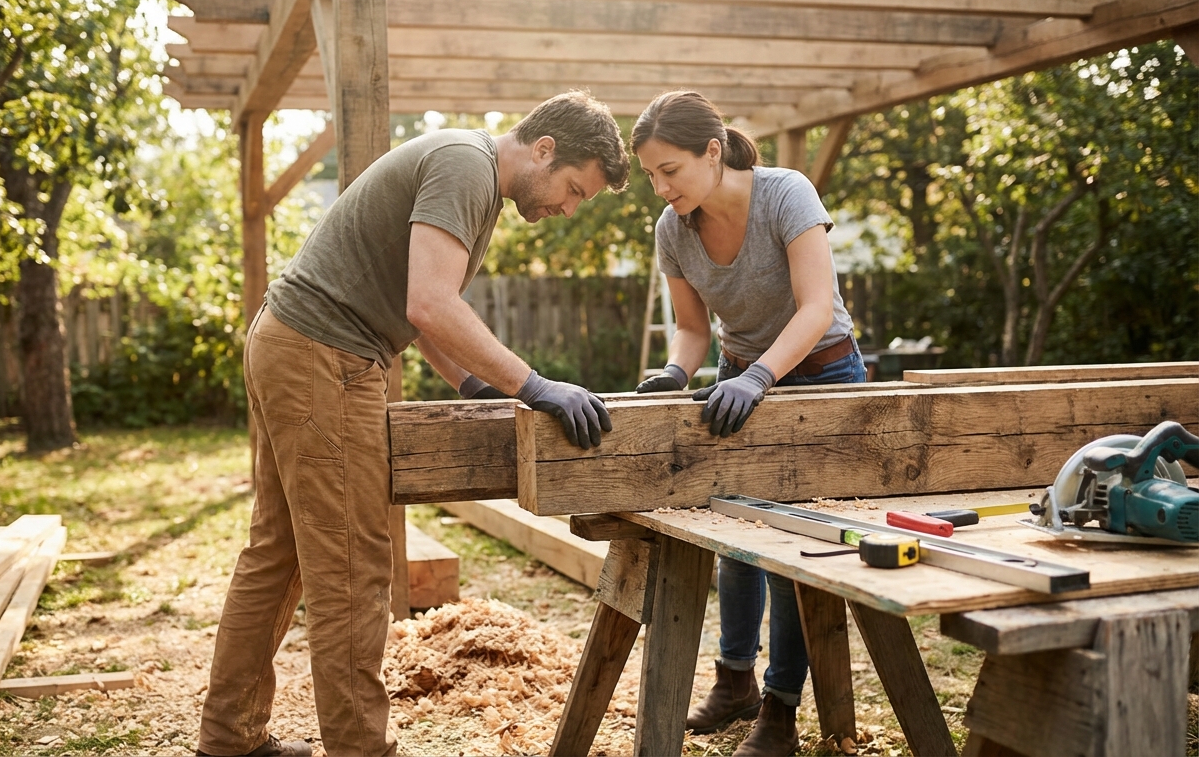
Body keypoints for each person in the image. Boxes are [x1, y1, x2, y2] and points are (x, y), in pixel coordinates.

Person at [195, 91, 631, 757]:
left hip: (292, 342)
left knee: (278, 556)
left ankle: (229, 737)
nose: (566, 209)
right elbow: (429, 303)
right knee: (351, 567)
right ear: (544, 149)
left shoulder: (469, 168)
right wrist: (535, 386)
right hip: (324, 357)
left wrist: (472, 384)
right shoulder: (466, 169)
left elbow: (419, 300)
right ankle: (358, 748)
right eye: (573, 189)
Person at [630, 90, 864, 757]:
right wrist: (677, 374)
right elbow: (692, 328)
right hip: (739, 379)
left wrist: (763, 375)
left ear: (712, 152)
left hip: (821, 377)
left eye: (668, 170)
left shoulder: (787, 194)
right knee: (734, 531)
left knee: (794, 556)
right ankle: (735, 681)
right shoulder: (673, 230)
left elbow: (817, 307)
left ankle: (782, 712)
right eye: (650, 175)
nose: (659, 187)